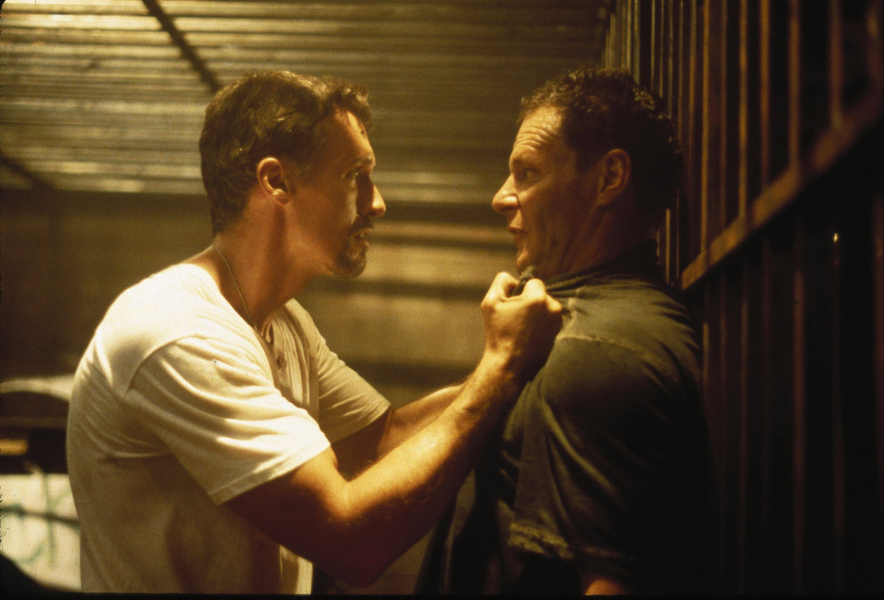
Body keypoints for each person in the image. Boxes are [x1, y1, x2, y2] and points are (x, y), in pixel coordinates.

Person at [66, 71, 563, 594]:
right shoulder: (178, 332)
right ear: (276, 181)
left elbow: (381, 442)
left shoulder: (283, 322)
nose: (376, 202)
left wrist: (515, 358)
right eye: (354, 175)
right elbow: (352, 542)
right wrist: (501, 368)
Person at [417, 67, 709, 594]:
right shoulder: (572, 322)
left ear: (609, 178)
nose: (501, 197)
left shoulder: (597, 349)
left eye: (527, 173)